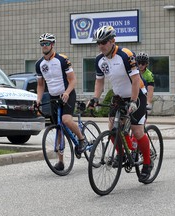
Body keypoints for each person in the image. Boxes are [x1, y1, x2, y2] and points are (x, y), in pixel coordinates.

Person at [87, 26, 152, 182]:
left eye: (103, 42)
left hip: (137, 95)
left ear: (112, 41)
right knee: (113, 129)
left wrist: (134, 101)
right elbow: (99, 82)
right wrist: (95, 98)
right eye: (98, 43)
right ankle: (124, 153)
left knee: (137, 131)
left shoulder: (126, 55)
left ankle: (147, 163)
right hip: (119, 96)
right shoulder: (99, 60)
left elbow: (136, 80)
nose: (101, 45)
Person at [36, 33, 87, 171]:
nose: (44, 46)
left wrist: (66, 92)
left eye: (46, 43)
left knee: (66, 120)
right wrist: (38, 99)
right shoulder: (39, 64)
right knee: (58, 128)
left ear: (52, 45)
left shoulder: (62, 60)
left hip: (67, 94)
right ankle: (60, 162)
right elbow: (40, 85)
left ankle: (81, 139)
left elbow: (73, 80)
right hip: (53, 97)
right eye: (42, 43)